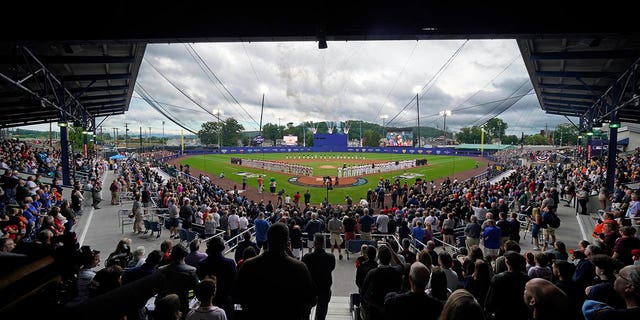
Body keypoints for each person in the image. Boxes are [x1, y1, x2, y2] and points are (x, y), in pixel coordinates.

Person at [233, 223, 316, 319]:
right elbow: (311, 300)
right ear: (287, 241)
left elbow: (236, 295)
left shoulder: (248, 265)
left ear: (268, 240)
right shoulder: (300, 268)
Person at [361, 244, 404, 320]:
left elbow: (363, 291)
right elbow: (401, 265)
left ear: (379, 259)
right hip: (392, 309)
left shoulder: (372, 273)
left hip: (375, 309)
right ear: (390, 258)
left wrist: (370, 304)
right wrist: (391, 250)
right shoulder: (397, 271)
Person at [157, 243, 200, 320]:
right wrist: (190, 295)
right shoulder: (191, 270)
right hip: (182, 305)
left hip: (163, 304)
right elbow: (196, 289)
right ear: (184, 256)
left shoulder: (161, 270)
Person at [485, 251, 530, 320]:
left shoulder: (498, 278)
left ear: (507, 263)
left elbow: (490, 301)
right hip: (519, 313)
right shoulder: (526, 278)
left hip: (502, 313)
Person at [302, 233, 336, 320]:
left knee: (306, 312)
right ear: (324, 243)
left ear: (314, 243)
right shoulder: (331, 257)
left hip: (310, 287)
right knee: (322, 313)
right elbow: (331, 268)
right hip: (324, 287)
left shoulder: (307, 257)